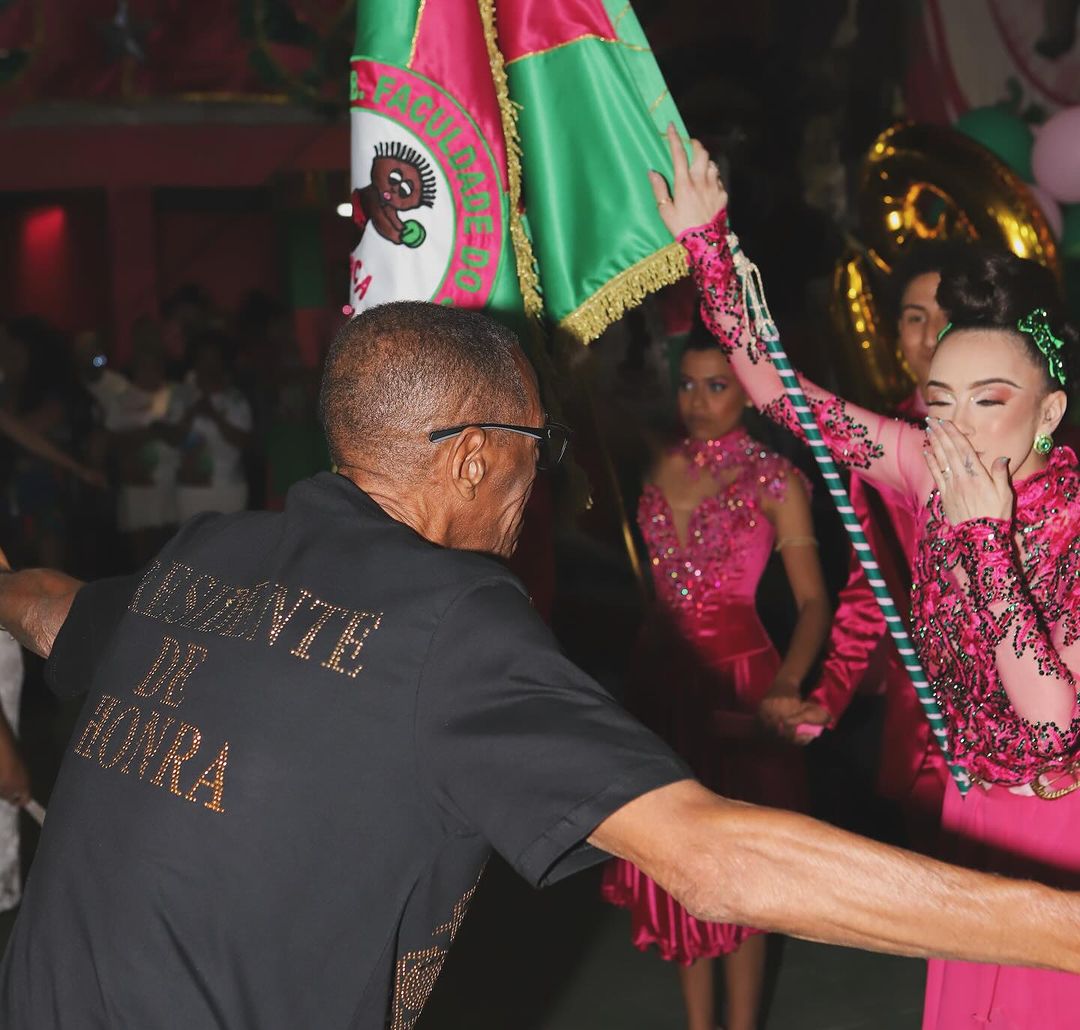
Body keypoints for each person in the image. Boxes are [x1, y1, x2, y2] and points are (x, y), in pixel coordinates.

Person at [2, 304, 1080, 1029]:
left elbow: (54, 612)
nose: (539, 488)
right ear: (474, 455)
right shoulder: (455, 623)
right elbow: (713, 859)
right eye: (537, 451)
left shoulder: (208, 552)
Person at [648, 121, 1080, 1029]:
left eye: (991, 403)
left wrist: (988, 543)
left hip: (1057, 825)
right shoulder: (925, 462)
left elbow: (1054, 726)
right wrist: (709, 248)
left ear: (1049, 412)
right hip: (970, 815)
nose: (957, 429)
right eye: (941, 402)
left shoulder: (1073, 517)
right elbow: (778, 394)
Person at [601, 325, 830, 1030]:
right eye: (689, 384)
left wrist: (787, 684)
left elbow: (816, 602)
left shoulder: (775, 477)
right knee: (673, 871)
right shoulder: (653, 460)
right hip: (661, 684)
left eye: (718, 385)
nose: (698, 402)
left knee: (743, 876)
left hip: (741, 681)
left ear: (749, 393)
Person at [783, 243, 981, 852]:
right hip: (923, 714)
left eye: (944, 316)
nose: (927, 335)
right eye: (912, 317)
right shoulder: (876, 447)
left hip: (1018, 711)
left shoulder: (1025, 438)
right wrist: (827, 697)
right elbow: (869, 594)